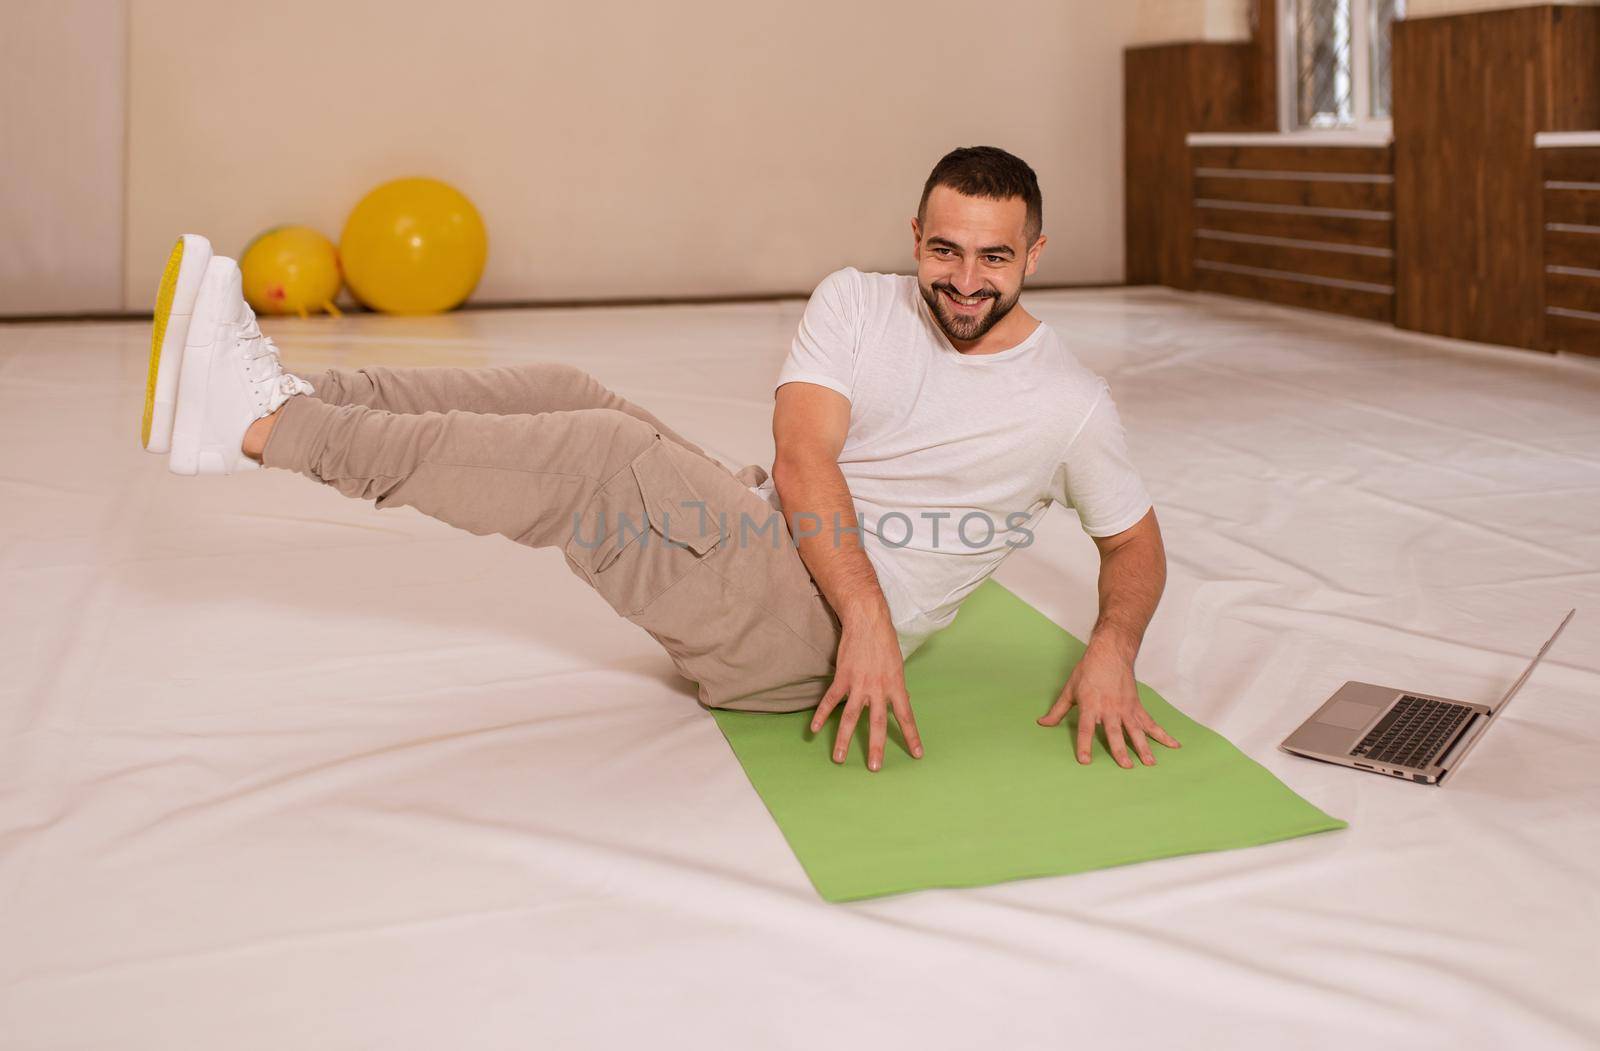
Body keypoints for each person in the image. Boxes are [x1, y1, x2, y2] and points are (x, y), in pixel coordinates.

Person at [143, 145, 1177, 775]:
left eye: (993, 257)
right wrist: (871, 608)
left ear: (1033, 257)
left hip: (799, 641)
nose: (964, 279)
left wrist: (1113, 646)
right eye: (943, 249)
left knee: (601, 455)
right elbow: (802, 454)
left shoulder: (1069, 406)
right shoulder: (858, 301)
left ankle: (263, 430)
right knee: (572, 394)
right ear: (915, 233)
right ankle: (295, 394)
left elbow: (1133, 544)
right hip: (793, 551)